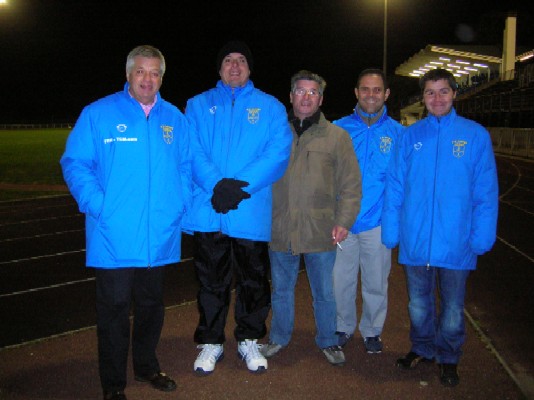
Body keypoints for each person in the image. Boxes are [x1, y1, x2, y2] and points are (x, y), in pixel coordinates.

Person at [61, 45, 191, 400]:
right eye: (141, 71)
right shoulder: (98, 113)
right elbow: (75, 163)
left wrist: (178, 205)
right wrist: (99, 205)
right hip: (114, 235)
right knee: (115, 313)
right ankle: (113, 385)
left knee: (151, 308)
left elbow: (185, 167)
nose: (148, 79)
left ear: (161, 77)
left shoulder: (174, 118)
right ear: (129, 74)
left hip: (158, 237)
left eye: (154, 73)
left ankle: (147, 367)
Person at [382, 68, 498, 387]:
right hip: (416, 239)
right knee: (418, 304)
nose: (437, 98)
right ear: (423, 97)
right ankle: (422, 348)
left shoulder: (474, 136)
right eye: (430, 92)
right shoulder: (409, 136)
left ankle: (448, 356)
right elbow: (395, 187)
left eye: (443, 91)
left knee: (452, 308)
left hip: (456, 240)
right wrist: (392, 230)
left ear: (454, 94)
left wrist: (482, 234)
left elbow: (485, 191)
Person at [183, 40, 292, 375]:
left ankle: (249, 339)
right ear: (219, 68)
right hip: (209, 210)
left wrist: (237, 188)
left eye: (241, 60)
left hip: (249, 211)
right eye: (228, 60)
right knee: (211, 282)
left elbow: (277, 153)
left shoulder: (270, 107)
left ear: (249, 68)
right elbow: (192, 150)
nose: (234, 65)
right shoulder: (198, 105)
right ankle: (211, 342)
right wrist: (218, 185)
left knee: (253, 281)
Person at [261, 70, 362, 366]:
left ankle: (328, 340)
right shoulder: (275, 133)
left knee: (324, 293)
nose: (306, 97)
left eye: (312, 92)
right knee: (281, 290)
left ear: (321, 98)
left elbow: (351, 185)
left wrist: (344, 221)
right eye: (300, 91)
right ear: (290, 96)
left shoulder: (337, 137)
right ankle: (279, 337)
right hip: (280, 227)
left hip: (321, 230)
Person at [332, 69, 404, 353]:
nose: (370, 95)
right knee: (341, 281)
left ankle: (372, 331)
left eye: (377, 90)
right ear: (356, 93)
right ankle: (343, 326)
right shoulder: (338, 129)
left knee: (376, 282)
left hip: (378, 222)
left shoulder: (399, 133)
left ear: (386, 94)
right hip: (343, 222)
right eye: (365, 89)